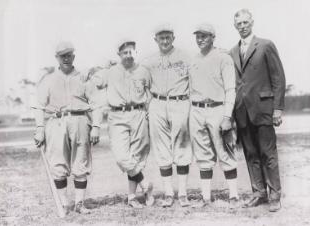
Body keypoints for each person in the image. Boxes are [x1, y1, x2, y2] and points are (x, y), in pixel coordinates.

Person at [33, 41, 102, 214]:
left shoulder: (84, 77)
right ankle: (64, 203)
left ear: (74, 56)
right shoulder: (48, 80)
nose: (66, 58)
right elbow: (39, 106)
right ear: (57, 58)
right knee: (58, 164)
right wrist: (40, 129)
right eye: (62, 55)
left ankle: (79, 203)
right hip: (56, 122)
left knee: (81, 162)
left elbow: (97, 104)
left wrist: (96, 126)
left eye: (69, 55)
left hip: (80, 120)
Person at [229, 9, 286, 212]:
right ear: (234, 26)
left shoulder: (265, 45)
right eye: (239, 23)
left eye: (245, 22)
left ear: (252, 22)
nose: (243, 26)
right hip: (242, 112)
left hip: (263, 109)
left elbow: (278, 78)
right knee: (251, 153)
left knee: (268, 153)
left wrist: (277, 109)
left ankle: (275, 195)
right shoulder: (232, 52)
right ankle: (259, 193)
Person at [91, 39, 154, 209]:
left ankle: (132, 197)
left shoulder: (143, 71)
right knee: (121, 156)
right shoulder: (110, 71)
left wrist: (150, 114)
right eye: (124, 52)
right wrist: (105, 67)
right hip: (117, 115)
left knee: (137, 157)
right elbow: (95, 82)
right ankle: (145, 184)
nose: (128, 55)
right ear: (119, 54)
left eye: (131, 51)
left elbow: (151, 93)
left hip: (139, 113)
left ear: (135, 52)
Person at [142, 24, 192, 207]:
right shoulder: (148, 61)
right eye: (161, 37)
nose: (164, 41)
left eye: (168, 37)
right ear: (155, 39)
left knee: (182, 148)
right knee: (162, 150)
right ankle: (169, 193)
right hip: (157, 103)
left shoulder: (185, 57)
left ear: (173, 38)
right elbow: (141, 83)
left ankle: (183, 193)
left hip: (180, 102)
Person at [189, 24, 239, 208]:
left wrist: (227, 116)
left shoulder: (223, 58)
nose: (200, 39)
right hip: (196, 109)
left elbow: (230, 89)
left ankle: (233, 196)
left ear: (213, 37)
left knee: (225, 151)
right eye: (198, 36)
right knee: (203, 155)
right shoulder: (193, 59)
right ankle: (206, 198)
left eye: (204, 36)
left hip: (217, 108)